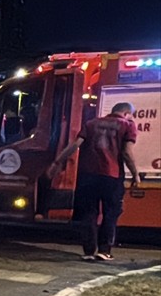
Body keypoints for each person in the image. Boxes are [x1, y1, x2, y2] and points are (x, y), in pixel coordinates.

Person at [46, 102, 140, 261]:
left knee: (89, 213)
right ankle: (104, 250)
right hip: (112, 175)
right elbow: (126, 152)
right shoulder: (127, 125)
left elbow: (75, 145)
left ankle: (89, 251)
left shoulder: (91, 123)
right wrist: (135, 174)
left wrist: (57, 163)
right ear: (126, 113)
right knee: (111, 212)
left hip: (87, 175)